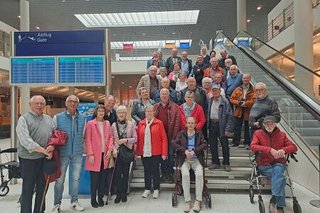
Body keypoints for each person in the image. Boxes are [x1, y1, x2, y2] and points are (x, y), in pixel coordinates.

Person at [250, 115, 297, 213]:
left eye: (271, 123)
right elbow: (253, 146)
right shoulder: (258, 133)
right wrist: (269, 150)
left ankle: (273, 201)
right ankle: (279, 204)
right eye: (267, 123)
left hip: (278, 163)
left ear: (275, 124)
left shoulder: (282, 135)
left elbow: (293, 147)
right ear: (263, 124)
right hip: (264, 164)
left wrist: (283, 150)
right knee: (280, 177)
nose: (269, 125)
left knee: (278, 170)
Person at [17, 95, 54, 213]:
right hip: (28, 160)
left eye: (42, 103)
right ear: (30, 105)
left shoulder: (49, 119)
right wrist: (44, 150)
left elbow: (54, 136)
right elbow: (25, 141)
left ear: (44, 105)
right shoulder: (24, 119)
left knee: (43, 188)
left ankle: (39, 211)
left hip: (44, 160)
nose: (39, 105)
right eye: (36, 103)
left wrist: (52, 147)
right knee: (28, 188)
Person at [52, 95, 86, 212]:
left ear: (78, 104)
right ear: (66, 104)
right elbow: (53, 135)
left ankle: (74, 202)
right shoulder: (57, 117)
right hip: (62, 153)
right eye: (70, 101)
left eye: (75, 102)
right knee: (59, 180)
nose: (73, 103)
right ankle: (57, 204)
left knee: (75, 178)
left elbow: (84, 135)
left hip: (77, 153)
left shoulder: (83, 118)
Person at [172, 117, 207, 213]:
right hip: (185, 160)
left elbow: (204, 144)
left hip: (197, 160)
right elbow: (174, 143)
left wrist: (194, 151)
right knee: (185, 175)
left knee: (199, 175)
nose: (190, 125)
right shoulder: (181, 134)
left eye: (192, 123)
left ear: (195, 124)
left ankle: (198, 201)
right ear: (186, 124)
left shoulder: (199, 134)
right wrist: (184, 151)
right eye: (189, 123)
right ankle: (187, 201)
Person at [84, 105, 114, 208]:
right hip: (94, 155)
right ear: (96, 112)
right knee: (94, 180)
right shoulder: (90, 124)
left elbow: (111, 137)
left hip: (104, 155)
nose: (101, 113)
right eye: (99, 111)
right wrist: (90, 154)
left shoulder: (107, 123)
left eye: (102, 111)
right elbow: (87, 140)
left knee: (102, 179)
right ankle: (93, 200)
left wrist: (110, 149)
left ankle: (100, 198)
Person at [136, 105, 168, 199]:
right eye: (147, 111)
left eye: (151, 111)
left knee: (155, 171)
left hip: (156, 152)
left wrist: (164, 152)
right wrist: (137, 152)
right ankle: (147, 188)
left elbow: (164, 139)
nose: (149, 113)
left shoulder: (159, 123)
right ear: (144, 113)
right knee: (146, 170)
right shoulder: (141, 123)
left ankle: (156, 189)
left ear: (154, 112)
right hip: (144, 152)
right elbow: (138, 139)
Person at [154, 88, 181, 183]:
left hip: (171, 136)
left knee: (170, 156)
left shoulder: (175, 106)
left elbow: (177, 122)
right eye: (162, 94)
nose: (164, 96)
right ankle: (164, 174)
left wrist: (174, 137)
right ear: (160, 96)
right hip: (159, 137)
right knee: (162, 156)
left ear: (168, 95)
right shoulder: (156, 106)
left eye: (166, 94)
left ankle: (169, 174)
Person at [112, 105, 137, 204]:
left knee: (126, 174)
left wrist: (126, 140)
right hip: (117, 153)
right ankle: (118, 194)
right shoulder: (113, 125)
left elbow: (135, 138)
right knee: (117, 174)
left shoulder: (131, 124)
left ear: (126, 114)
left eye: (123, 112)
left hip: (126, 152)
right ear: (117, 114)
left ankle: (124, 194)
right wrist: (114, 149)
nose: (121, 114)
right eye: (119, 112)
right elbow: (111, 139)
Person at [207, 85, 234, 171]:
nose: (215, 92)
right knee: (212, 145)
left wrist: (228, 129)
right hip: (212, 124)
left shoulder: (225, 101)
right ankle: (215, 162)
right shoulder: (210, 100)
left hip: (222, 125)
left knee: (225, 145)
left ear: (220, 91)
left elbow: (230, 116)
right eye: (213, 91)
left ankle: (226, 163)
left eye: (216, 91)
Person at [230, 73, 256, 149]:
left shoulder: (254, 89)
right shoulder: (237, 89)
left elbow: (254, 100)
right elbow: (232, 99)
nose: (245, 80)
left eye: (247, 78)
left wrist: (246, 103)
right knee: (237, 127)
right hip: (239, 110)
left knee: (247, 128)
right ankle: (235, 143)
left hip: (248, 111)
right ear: (242, 79)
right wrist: (239, 103)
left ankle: (247, 143)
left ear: (250, 79)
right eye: (244, 78)